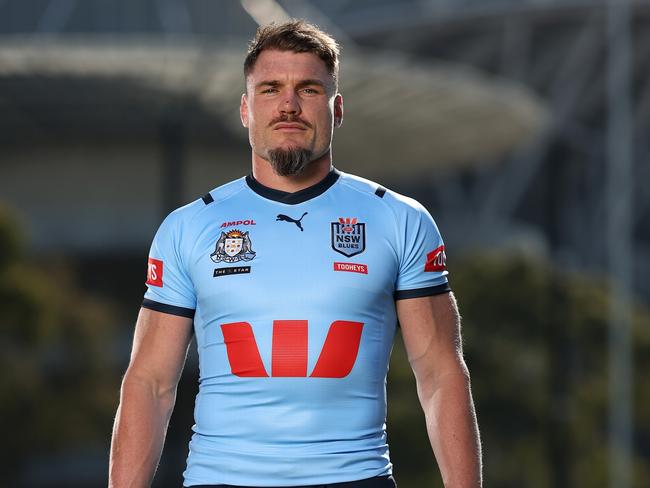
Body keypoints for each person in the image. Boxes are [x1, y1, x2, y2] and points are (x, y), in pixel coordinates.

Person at [109, 19, 482, 488]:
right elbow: (150, 384)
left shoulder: (399, 220)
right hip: (221, 479)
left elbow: (441, 376)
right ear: (245, 109)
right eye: (270, 89)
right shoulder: (190, 227)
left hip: (355, 478)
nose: (288, 105)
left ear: (337, 108)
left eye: (307, 89)